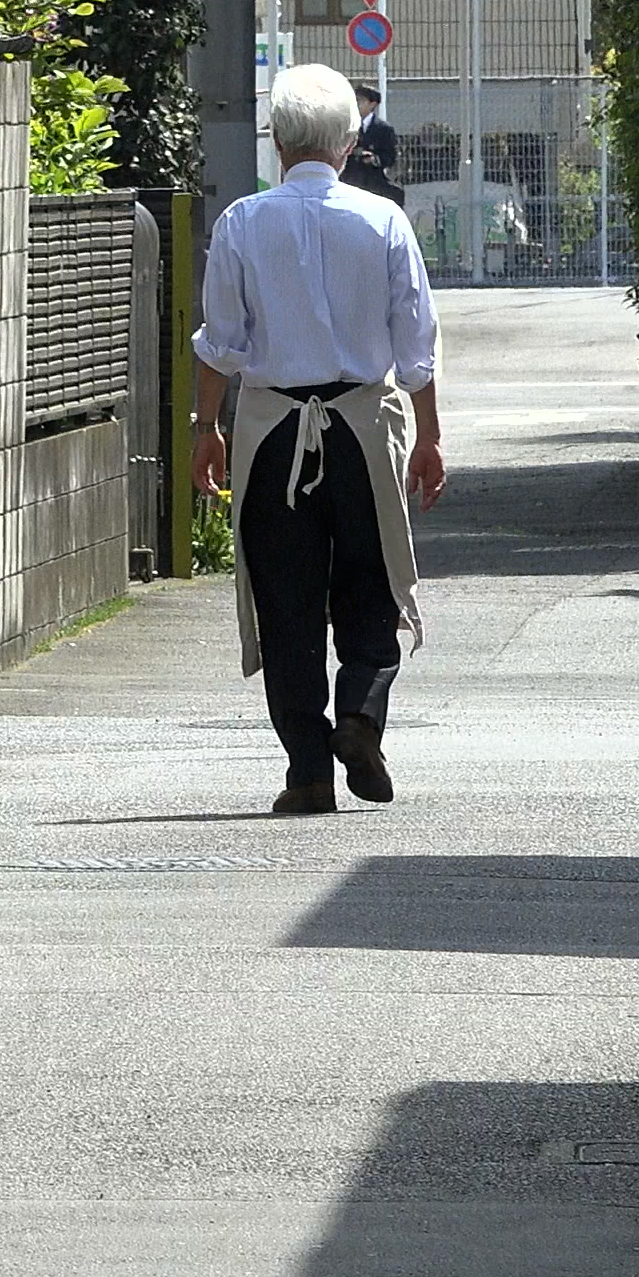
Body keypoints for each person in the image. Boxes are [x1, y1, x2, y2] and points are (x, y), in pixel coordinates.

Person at [191, 65, 446, 814]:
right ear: (349, 141)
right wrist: (429, 436)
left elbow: (219, 344)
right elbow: (416, 346)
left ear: (276, 142)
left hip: (272, 431)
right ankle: (362, 714)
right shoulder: (384, 221)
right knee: (370, 581)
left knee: (286, 598)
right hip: (364, 426)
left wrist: (208, 430)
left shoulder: (241, 222)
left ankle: (308, 772)